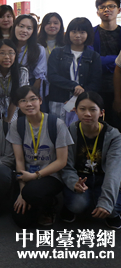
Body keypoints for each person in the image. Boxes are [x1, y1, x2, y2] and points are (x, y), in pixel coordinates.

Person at [7, 86, 74, 228]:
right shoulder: (17, 125)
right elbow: (19, 160)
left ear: (40, 100)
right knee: (22, 221)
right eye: (23, 101)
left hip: (51, 176)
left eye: (33, 99)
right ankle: (34, 202)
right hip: (26, 176)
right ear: (18, 105)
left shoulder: (56, 124)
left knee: (32, 193)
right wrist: (22, 191)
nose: (29, 104)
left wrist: (35, 176)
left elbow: (61, 161)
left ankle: (49, 205)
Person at [61, 92, 121, 230]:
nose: (87, 114)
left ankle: (109, 211)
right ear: (75, 110)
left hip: (103, 178)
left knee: (112, 208)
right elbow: (66, 166)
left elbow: (113, 172)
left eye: (93, 109)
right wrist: (73, 183)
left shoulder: (114, 136)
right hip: (80, 178)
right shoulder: (70, 132)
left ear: (101, 113)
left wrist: (106, 202)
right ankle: (70, 205)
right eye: (82, 109)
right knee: (77, 205)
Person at [48, 18, 101, 124]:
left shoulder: (93, 56)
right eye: (74, 32)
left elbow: (96, 82)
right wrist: (74, 86)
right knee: (57, 129)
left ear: (88, 34)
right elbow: (52, 76)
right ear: (68, 33)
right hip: (59, 99)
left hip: (83, 101)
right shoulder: (57, 52)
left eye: (82, 32)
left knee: (78, 130)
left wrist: (80, 96)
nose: (77, 35)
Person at [94, 0, 121, 129]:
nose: (106, 9)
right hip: (96, 88)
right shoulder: (91, 33)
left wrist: (105, 61)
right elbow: (93, 61)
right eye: (102, 7)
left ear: (119, 10)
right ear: (97, 12)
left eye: (111, 6)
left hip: (118, 89)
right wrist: (116, 61)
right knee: (97, 128)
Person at [11, 15, 48, 97]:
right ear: (14, 27)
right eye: (21, 26)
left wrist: (29, 95)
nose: (24, 31)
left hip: (29, 86)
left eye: (29, 28)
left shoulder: (39, 49)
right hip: (6, 84)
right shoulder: (6, 45)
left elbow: (39, 78)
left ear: (33, 31)